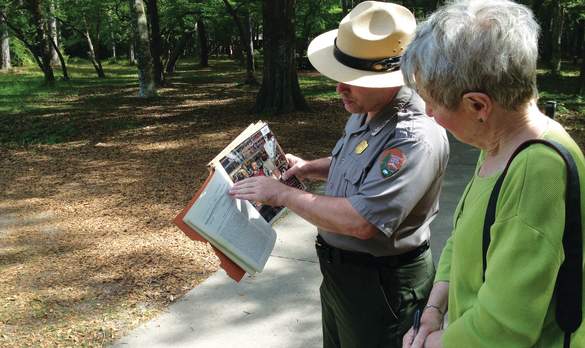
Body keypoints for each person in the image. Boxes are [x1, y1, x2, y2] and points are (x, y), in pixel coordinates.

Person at [230, 2, 449, 347]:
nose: (339, 89)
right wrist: (309, 167)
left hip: (382, 286)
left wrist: (283, 194)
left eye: (353, 81)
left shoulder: (414, 136)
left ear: (393, 79)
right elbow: (359, 163)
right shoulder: (368, 109)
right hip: (341, 277)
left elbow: (363, 222)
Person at [399, 1, 585, 347]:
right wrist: (435, 308)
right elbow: (464, 234)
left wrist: (430, 344)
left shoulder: (536, 169)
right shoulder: (499, 145)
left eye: (432, 102)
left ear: (478, 106)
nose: (427, 112)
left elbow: (504, 330)